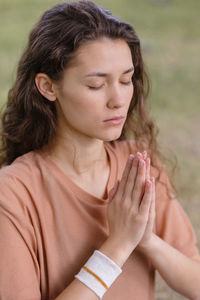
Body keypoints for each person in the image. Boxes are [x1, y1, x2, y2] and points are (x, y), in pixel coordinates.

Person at [0, 1, 199, 299]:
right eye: (96, 85)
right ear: (47, 87)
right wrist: (118, 244)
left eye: (125, 79)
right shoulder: (13, 193)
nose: (118, 99)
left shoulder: (141, 166)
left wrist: (146, 240)